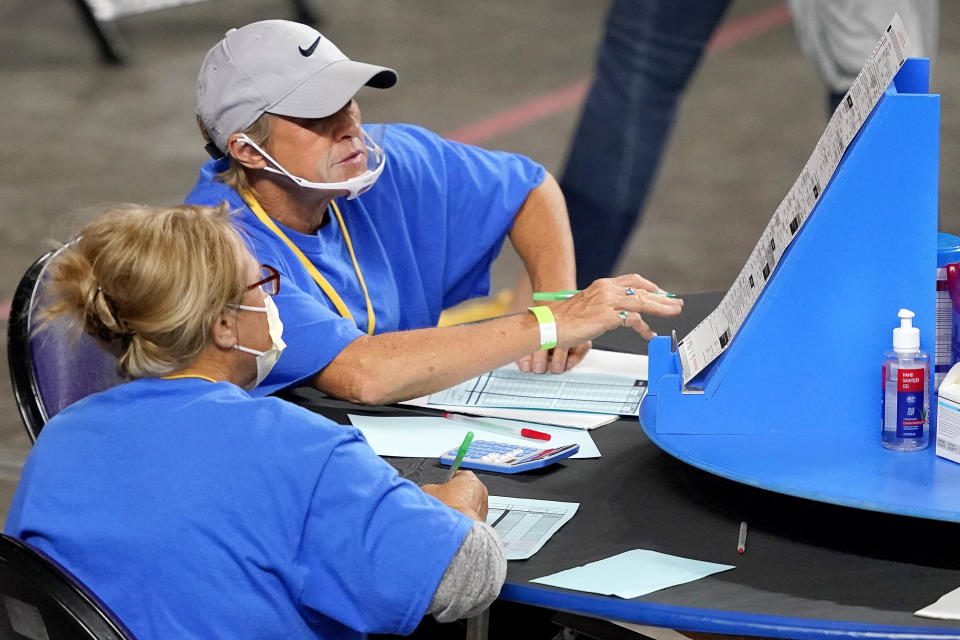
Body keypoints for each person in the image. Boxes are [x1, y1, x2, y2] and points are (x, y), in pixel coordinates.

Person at [5, 203, 506, 639]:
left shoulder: (60, 440)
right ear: (224, 325)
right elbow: (466, 579)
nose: (271, 301)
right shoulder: (298, 448)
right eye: (262, 285)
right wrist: (462, 501)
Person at [185, 19, 683, 403]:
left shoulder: (382, 162)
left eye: (348, 100)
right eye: (317, 115)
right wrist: (551, 322)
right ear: (248, 150)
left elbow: (531, 188)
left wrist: (554, 295)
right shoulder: (220, 246)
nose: (349, 126)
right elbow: (361, 376)